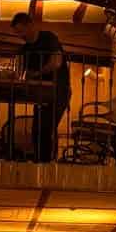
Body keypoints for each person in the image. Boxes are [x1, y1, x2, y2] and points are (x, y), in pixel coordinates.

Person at [11, 9, 70, 161]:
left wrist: (36, 74)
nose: (21, 35)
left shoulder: (48, 38)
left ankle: (46, 163)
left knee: (46, 129)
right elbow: (21, 72)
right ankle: (40, 163)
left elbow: (56, 62)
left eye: (21, 31)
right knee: (37, 131)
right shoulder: (24, 49)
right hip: (40, 95)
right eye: (17, 33)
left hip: (58, 91)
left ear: (30, 25)